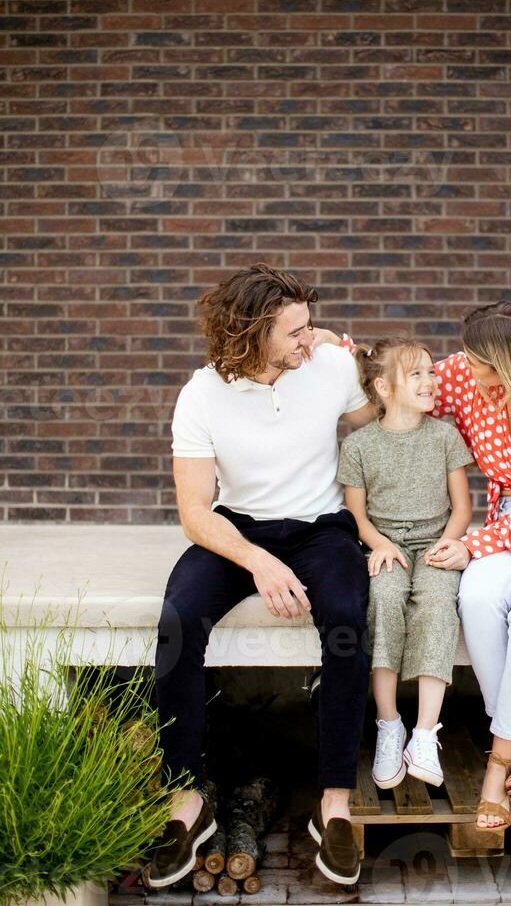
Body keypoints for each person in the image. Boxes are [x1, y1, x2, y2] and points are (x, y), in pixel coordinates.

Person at [337, 301, 511, 832]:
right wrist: (338, 346)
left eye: (477, 359)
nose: (460, 367)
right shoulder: (463, 375)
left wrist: (473, 546)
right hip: (504, 522)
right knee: (478, 599)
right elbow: (393, 373)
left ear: (509, 362)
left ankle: (499, 764)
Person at [150, 263, 376, 890]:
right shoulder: (201, 394)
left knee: (347, 622)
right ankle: (186, 804)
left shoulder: (329, 366)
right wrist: (257, 559)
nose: (313, 338)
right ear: (253, 334)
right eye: (297, 331)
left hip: (323, 527)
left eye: (311, 325)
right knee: (175, 625)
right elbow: (195, 511)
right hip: (239, 529)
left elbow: (381, 433)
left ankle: (334, 805)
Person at [336, 337, 473, 793]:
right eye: (416, 374)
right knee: (385, 599)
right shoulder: (359, 446)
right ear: (383, 387)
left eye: (431, 372)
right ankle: (389, 725)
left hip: (437, 543)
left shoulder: (445, 436)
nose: (431, 381)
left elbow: (461, 507)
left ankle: (424, 734)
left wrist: (449, 544)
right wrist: (377, 544)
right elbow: (355, 515)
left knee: (437, 603)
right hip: (386, 546)